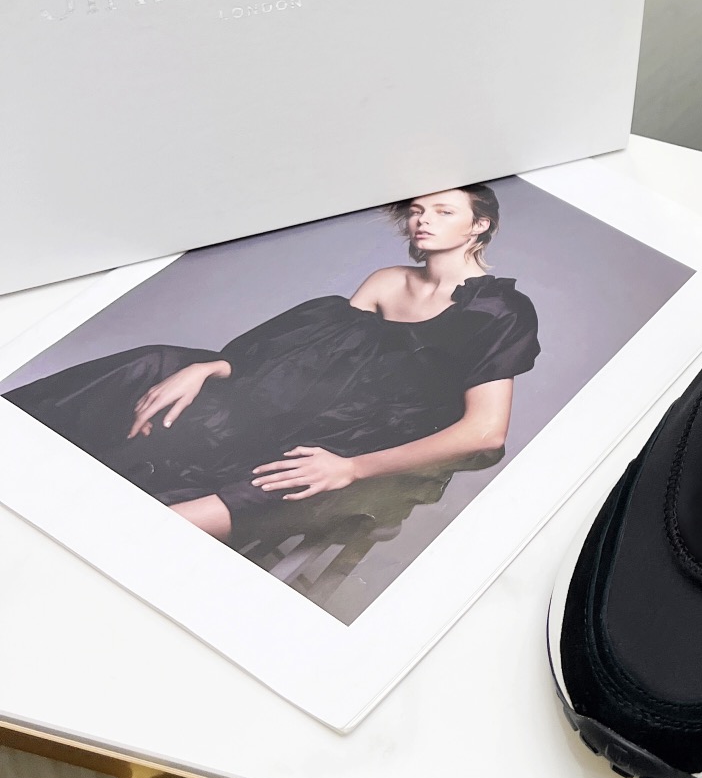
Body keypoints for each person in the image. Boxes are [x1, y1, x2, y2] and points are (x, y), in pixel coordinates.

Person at [6, 188, 538, 551]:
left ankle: (96, 544)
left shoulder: (499, 310)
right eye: (418, 210)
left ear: (480, 225)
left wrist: (352, 468)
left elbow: (485, 434)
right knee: (159, 364)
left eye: (443, 211)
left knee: (275, 480)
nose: (423, 220)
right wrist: (214, 365)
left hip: (374, 449)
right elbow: (307, 354)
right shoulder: (387, 280)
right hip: (315, 410)